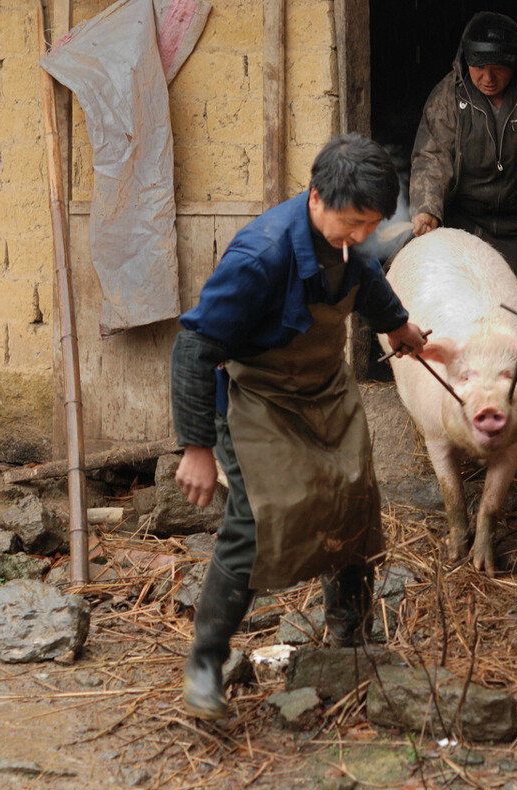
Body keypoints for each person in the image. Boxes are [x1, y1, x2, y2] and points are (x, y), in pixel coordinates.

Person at [170, 134, 428, 719]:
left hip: (325, 390)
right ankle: (206, 664)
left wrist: (399, 326)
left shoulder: (349, 240)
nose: (361, 235)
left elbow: (365, 274)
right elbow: (193, 348)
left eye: (373, 223)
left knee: (353, 501)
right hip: (260, 397)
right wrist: (197, 447)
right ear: (315, 198)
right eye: (352, 222)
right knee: (255, 522)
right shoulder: (260, 256)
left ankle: (350, 635)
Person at [410, 11, 517, 283]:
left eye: (498, 68)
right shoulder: (448, 96)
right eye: (478, 68)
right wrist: (427, 208)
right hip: (467, 224)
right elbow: (431, 157)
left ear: (515, 61)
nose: (488, 78)